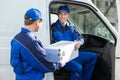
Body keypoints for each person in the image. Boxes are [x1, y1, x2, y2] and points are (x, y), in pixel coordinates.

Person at [10, 8, 66, 80]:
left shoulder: (16, 38)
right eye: (41, 21)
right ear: (37, 22)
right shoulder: (31, 42)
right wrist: (60, 63)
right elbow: (45, 66)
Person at [51, 5, 97, 80]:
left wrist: (79, 42)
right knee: (78, 67)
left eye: (64, 14)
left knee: (93, 57)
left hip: (73, 54)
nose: (62, 16)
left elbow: (81, 38)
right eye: (60, 14)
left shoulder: (72, 27)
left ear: (68, 15)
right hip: (61, 57)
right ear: (58, 15)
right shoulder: (53, 28)